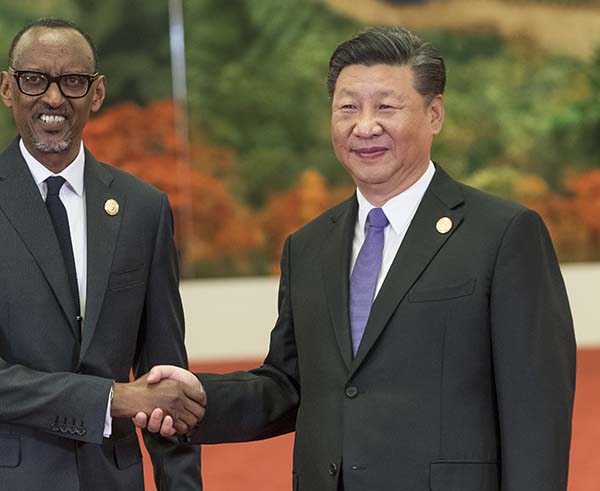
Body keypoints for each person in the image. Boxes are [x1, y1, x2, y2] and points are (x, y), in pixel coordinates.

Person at [137, 26, 577, 491]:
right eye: (348, 107)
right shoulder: (308, 246)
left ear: (434, 114)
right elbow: (290, 386)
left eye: (386, 107)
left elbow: (537, 410)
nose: (365, 127)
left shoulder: (503, 234)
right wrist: (200, 398)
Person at [0, 18, 204, 491]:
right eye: (34, 80)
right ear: (7, 88)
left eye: (72, 81)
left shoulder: (143, 208)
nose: (53, 98)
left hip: (109, 478)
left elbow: (165, 381)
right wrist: (112, 399)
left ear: (97, 92)